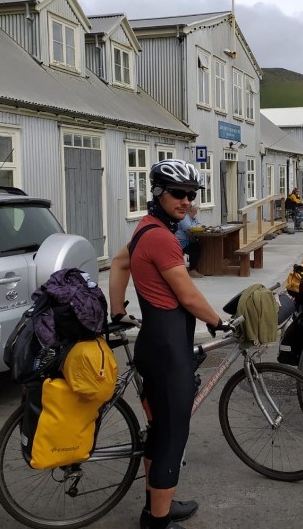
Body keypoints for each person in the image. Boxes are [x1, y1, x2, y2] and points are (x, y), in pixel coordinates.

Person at [108, 158, 228, 529]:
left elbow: (118, 262)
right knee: (173, 436)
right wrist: (219, 322)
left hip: (155, 345)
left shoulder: (146, 228)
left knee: (159, 430)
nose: (187, 201)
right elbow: (188, 296)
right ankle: (157, 522)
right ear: (158, 192)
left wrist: (117, 310)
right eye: (179, 193)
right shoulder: (162, 238)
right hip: (168, 352)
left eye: (192, 195)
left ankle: (157, 505)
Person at [175, 203, 203, 278]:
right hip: (181, 242)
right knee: (195, 248)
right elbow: (188, 229)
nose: (196, 213)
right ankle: (192, 270)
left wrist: (196, 226)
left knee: (198, 245)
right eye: (195, 211)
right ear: (189, 211)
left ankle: (196, 268)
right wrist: (196, 227)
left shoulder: (193, 217)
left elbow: (199, 224)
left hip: (189, 240)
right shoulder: (184, 217)